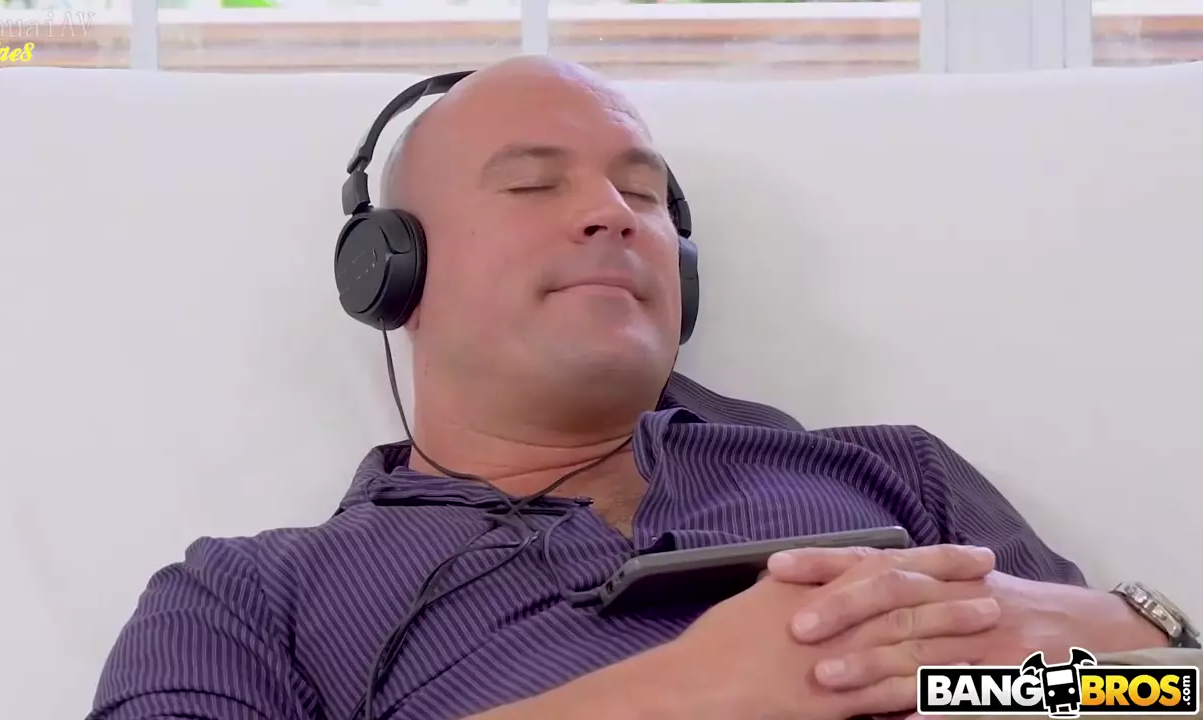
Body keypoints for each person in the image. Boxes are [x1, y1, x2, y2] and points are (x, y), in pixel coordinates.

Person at [88, 56, 1198, 720]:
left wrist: (1127, 638)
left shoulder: (886, 471)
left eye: (644, 194)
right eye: (532, 185)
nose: (612, 214)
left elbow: (1153, 700)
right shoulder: (248, 598)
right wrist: (683, 694)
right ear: (393, 274)